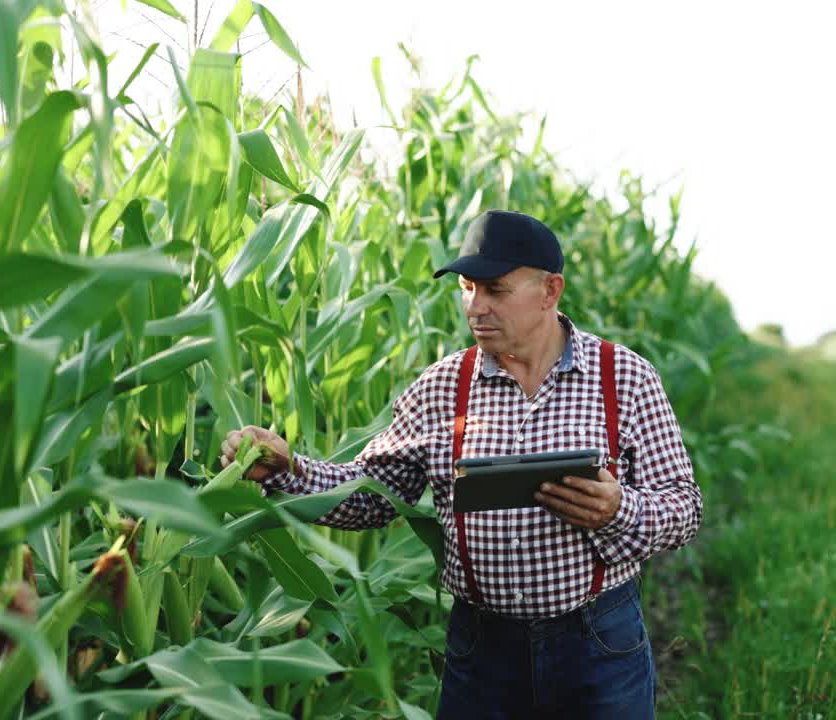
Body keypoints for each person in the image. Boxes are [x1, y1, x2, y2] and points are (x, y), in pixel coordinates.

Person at [219, 209, 702, 719]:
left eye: (495, 290)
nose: (476, 307)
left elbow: (684, 509)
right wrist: (285, 468)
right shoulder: (442, 386)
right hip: (483, 649)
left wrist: (616, 509)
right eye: (468, 288)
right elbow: (370, 495)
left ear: (550, 291)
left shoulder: (623, 377)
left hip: (596, 643)